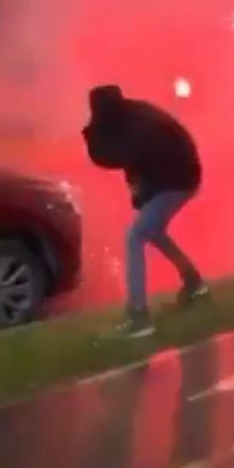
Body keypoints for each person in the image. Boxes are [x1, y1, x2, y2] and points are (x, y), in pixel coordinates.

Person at [83, 85, 207, 337]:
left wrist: (143, 193)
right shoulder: (131, 117)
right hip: (178, 175)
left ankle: (139, 317)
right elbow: (133, 163)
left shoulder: (139, 128)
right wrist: (142, 191)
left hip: (179, 179)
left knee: (136, 235)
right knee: (152, 232)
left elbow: (145, 162)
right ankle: (193, 282)